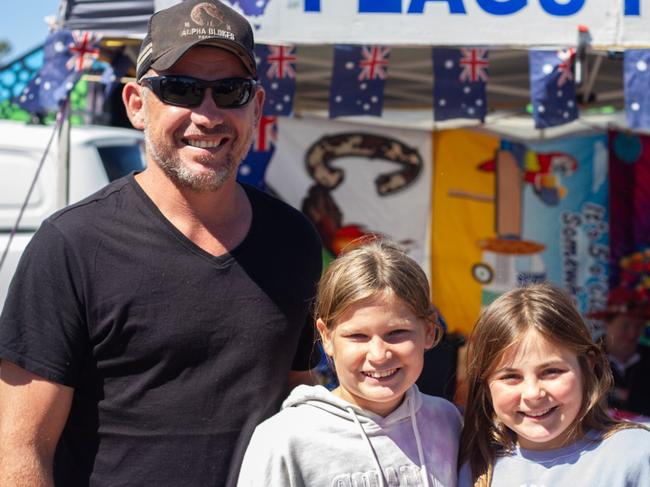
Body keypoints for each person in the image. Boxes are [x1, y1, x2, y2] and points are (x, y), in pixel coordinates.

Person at [0, 1, 322, 485]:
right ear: (135, 104)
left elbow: (299, 395)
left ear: (255, 108)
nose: (208, 115)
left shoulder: (293, 240)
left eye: (229, 91)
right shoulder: (72, 244)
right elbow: (20, 449)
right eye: (181, 89)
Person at [237, 240, 462, 487]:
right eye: (358, 336)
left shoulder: (448, 423)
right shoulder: (285, 439)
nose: (378, 355)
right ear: (326, 336)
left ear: (430, 331)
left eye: (397, 332)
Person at [458, 283, 650, 487]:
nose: (532, 394)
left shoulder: (635, 454)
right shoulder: (475, 468)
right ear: (486, 383)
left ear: (588, 366)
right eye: (511, 376)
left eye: (551, 372)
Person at [589, 288, 650, 417]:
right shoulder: (588, 359)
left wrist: (623, 395)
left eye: (638, 327)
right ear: (607, 324)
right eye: (625, 326)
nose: (632, 334)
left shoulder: (647, 357)